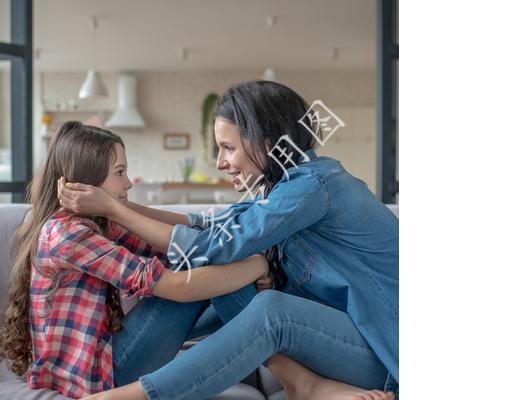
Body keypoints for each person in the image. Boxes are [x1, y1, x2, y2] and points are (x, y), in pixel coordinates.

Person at [59, 81, 399, 400]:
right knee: (225, 276)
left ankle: (127, 397)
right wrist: (118, 205)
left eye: (228, 148)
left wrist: (114, 211)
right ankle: (301, 382)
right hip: (342, 339)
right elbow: (208, 225)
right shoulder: (279, 187)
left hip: (382, 351)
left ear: (266, 142)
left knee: (271, 309)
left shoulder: (311, 186)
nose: (220, 162)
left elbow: (210, 245)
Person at [0, 121, 270, 399]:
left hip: (103, 360)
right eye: (120, 172)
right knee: (201, 274)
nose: (128, 182)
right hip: (96, 380)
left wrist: (113, 207)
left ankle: (267, 326)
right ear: (89, 176)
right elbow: (179, 286)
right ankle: (277, 344)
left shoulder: (97, 224)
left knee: (205, 267)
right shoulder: (68, 234)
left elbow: (179, 247)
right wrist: (260, 264)